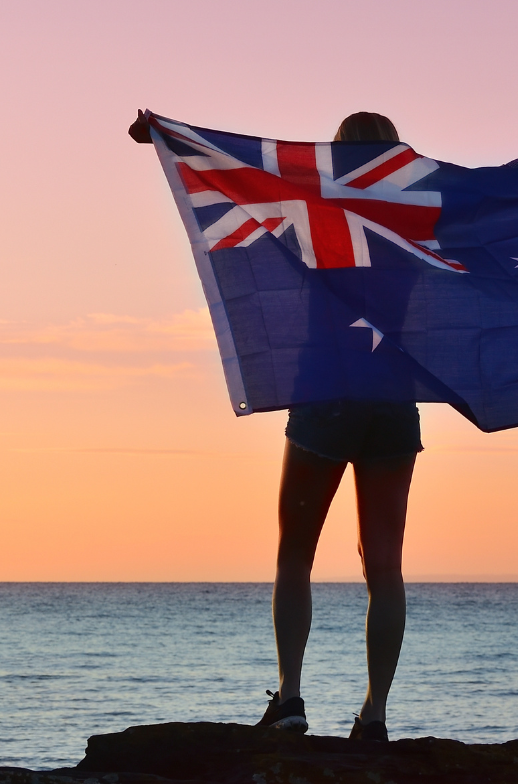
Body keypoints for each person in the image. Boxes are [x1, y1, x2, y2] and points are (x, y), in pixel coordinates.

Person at [128, 110, 420, 743]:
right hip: (393, 399)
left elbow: (239, 181)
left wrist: (169, 139)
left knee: (296, 553)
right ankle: (375, 717)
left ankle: (289, 699)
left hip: (326, 395)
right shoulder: (420, 221)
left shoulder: (315, 207)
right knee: (386, 568)